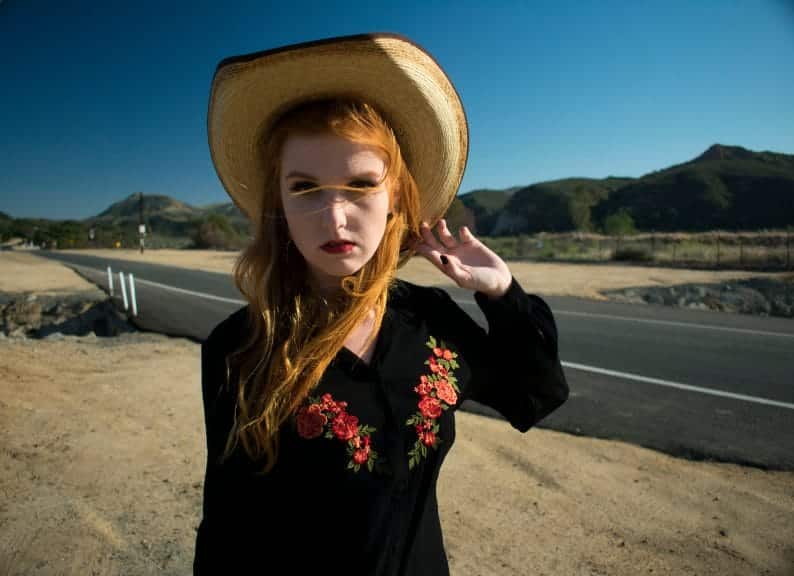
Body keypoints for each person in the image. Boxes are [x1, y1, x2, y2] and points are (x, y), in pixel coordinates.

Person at [195, 33, 569, 575]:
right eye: (305, 187)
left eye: (361, 184)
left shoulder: (431, 323)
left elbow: (536, 394)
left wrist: (502, 292)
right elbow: (228, 531)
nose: (335, 216)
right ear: (277, 201)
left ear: (395, 195)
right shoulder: (241, 349)